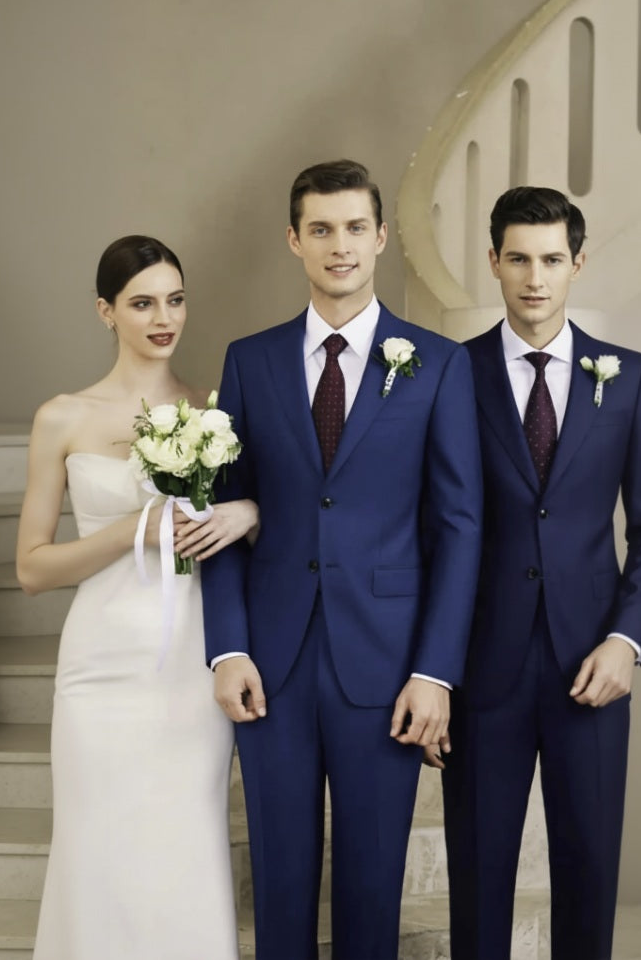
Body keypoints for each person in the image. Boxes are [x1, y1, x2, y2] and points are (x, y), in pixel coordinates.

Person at [196, 160, 482, 960]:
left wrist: (435, 672)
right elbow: (221, 512)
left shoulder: (437, 362)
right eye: (320, 229)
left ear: (381, 238)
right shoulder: (249, 361)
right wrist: (227, 646)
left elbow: (459, 525)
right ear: (294, 240)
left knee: (369, 889)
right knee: (281, 888)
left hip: (387, 667)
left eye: (355, 227)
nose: (340, 245)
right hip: (272, 666)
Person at [433, 186, 641, 960]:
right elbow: (423, 527)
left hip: (591, 666)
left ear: (576, 263)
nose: (533, 277)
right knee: (477, 879)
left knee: (588, 872)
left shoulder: (627, 377)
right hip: (480, 667)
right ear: (493, 263)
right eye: (517, 259)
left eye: (549, 259)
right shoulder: (449, 372)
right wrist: (431, 669)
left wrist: (626, 640)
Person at [16, 235, 257, 960]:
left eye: (174, 299)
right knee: (97, 845)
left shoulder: (215, 408)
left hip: (192, 656)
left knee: (184, 840)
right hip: (100, 662)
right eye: (142, 302)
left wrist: (250, 514)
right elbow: (31, 567)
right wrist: (132, 528)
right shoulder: (60, 416)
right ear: (105, 310)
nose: (163, 317)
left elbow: (286, 511)